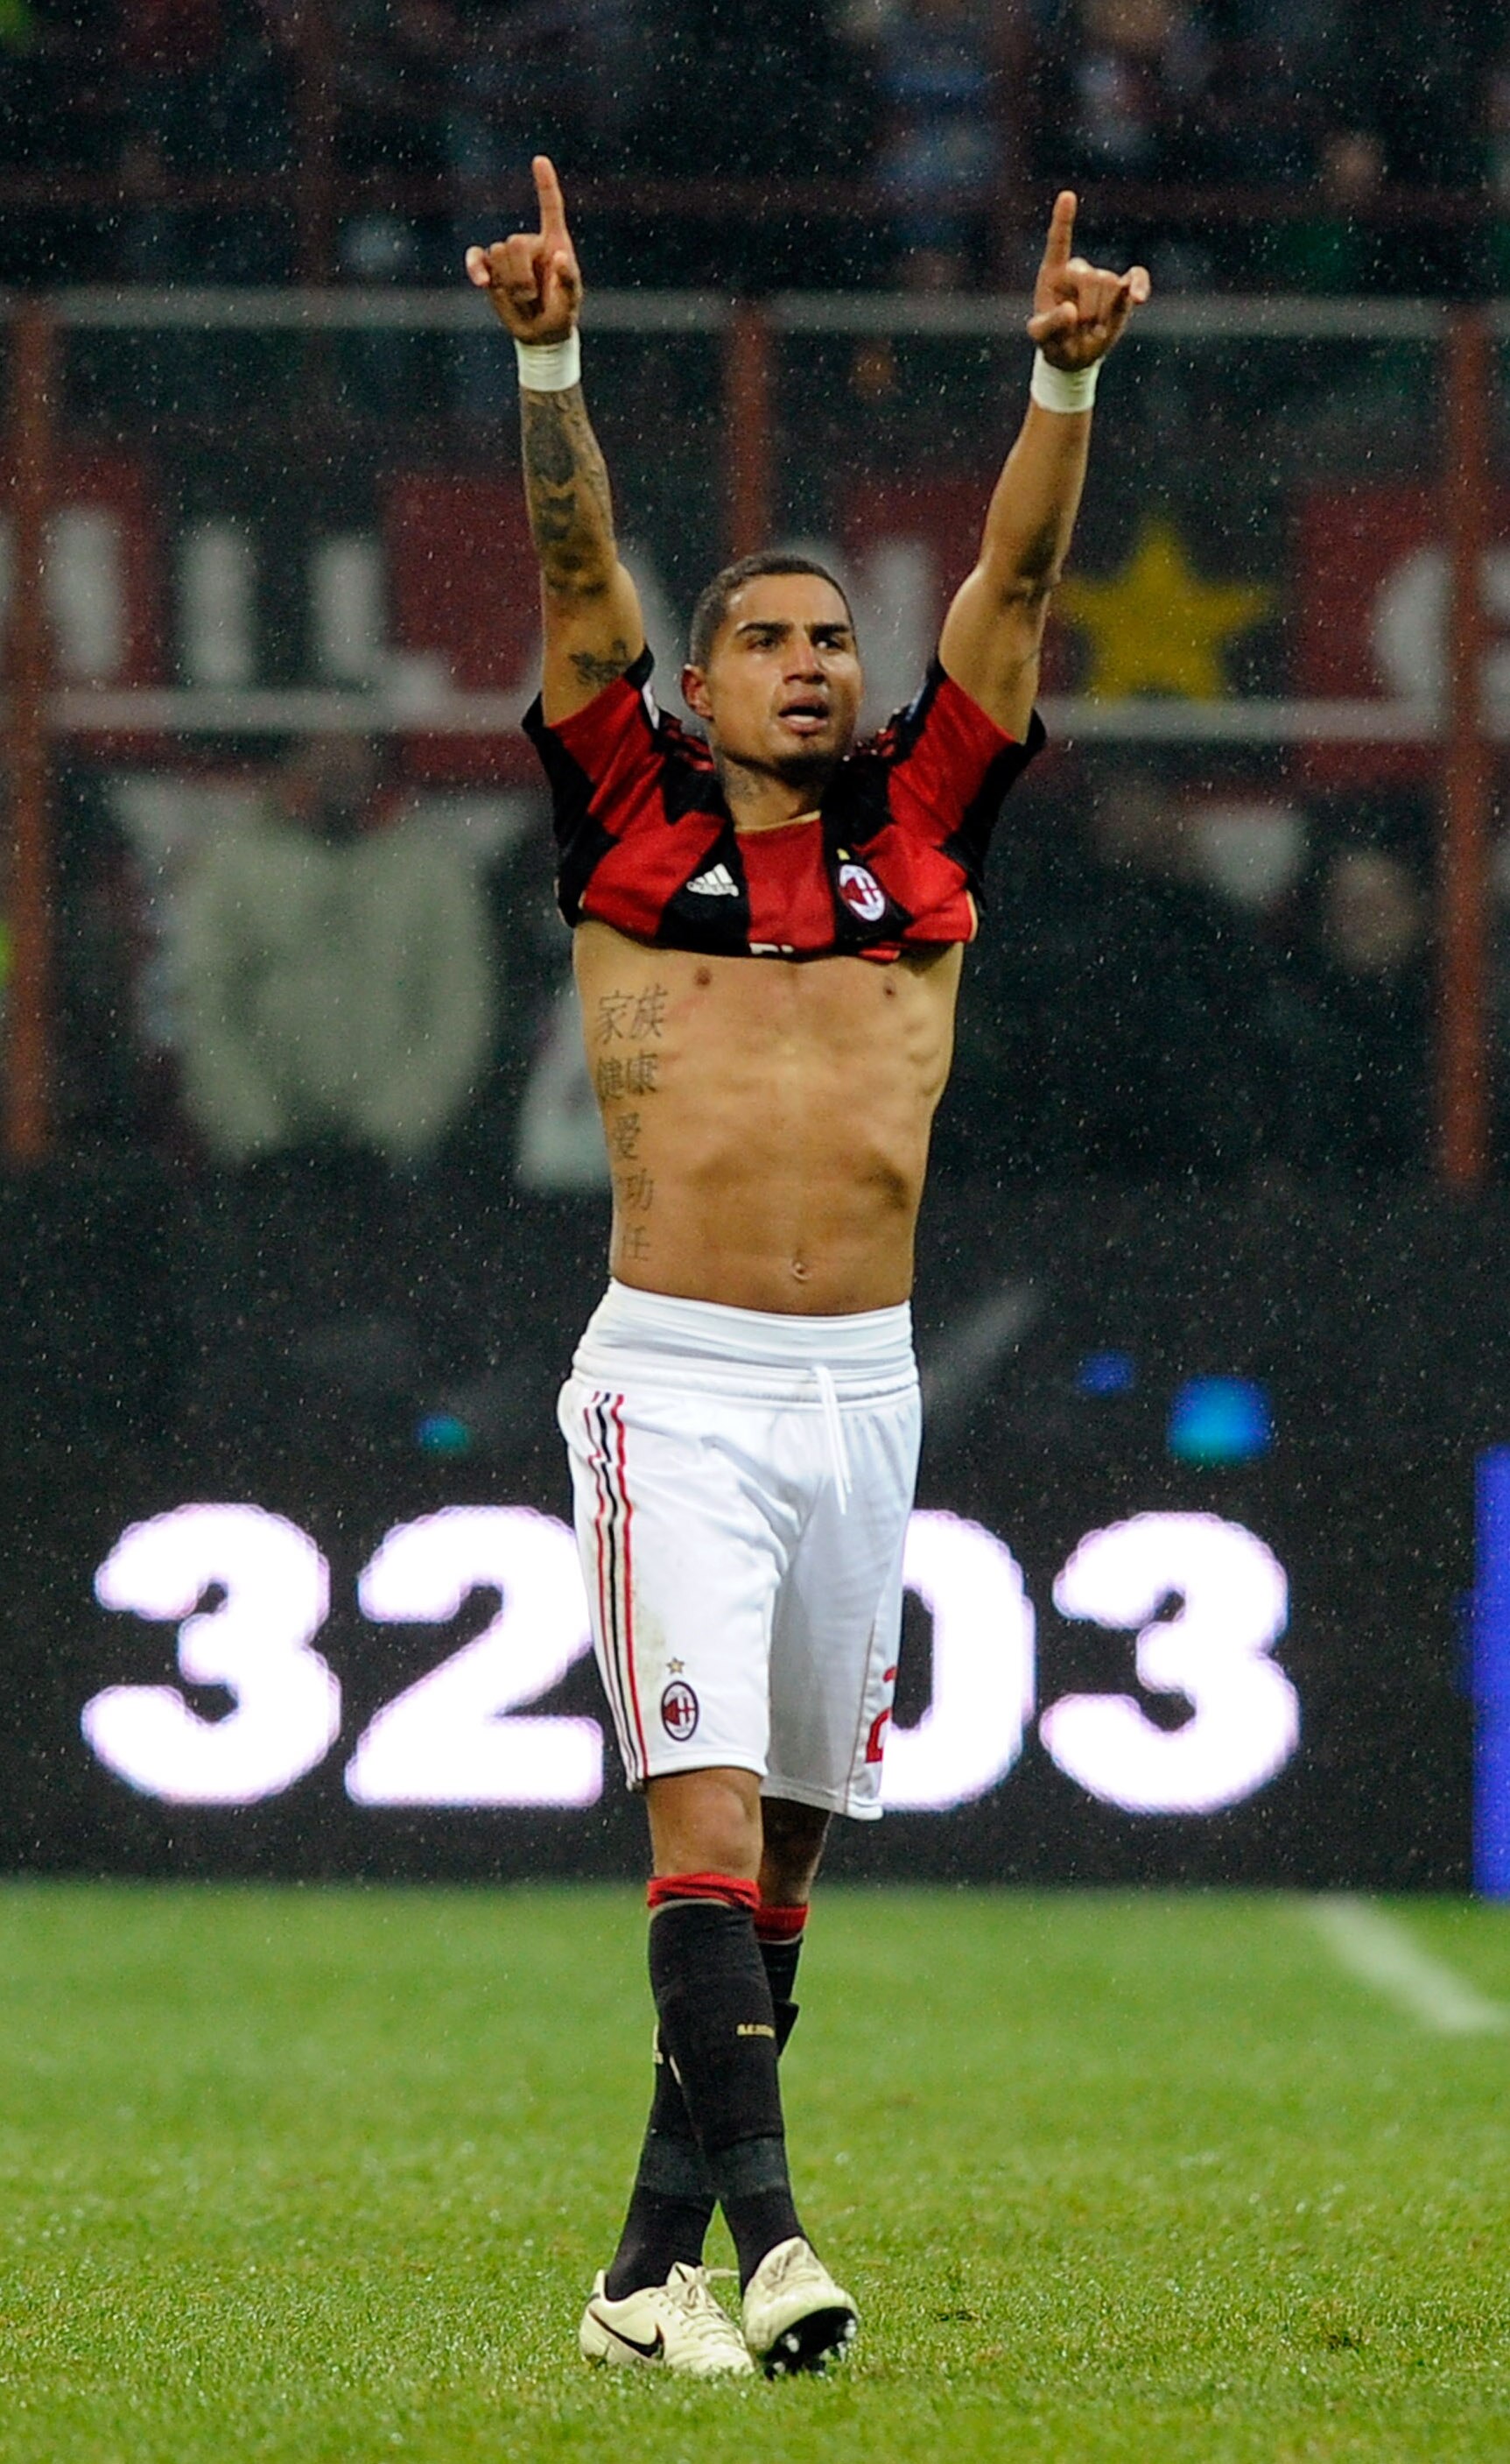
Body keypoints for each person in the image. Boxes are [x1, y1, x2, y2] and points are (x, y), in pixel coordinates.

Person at [467, 156, 1147, 2377]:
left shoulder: (922, 829)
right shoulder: (623, 820)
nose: (805, 665)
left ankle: (630, 2276)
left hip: (865, 1387)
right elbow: (573, 561)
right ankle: (772, 2245)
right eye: (760, 638)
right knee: (697, 1811)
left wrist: (1056, 392)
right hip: (667, 1377)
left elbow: (1014, 584)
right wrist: (549, 364)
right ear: (695, 678)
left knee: (788, 1869)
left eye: (827, 638)